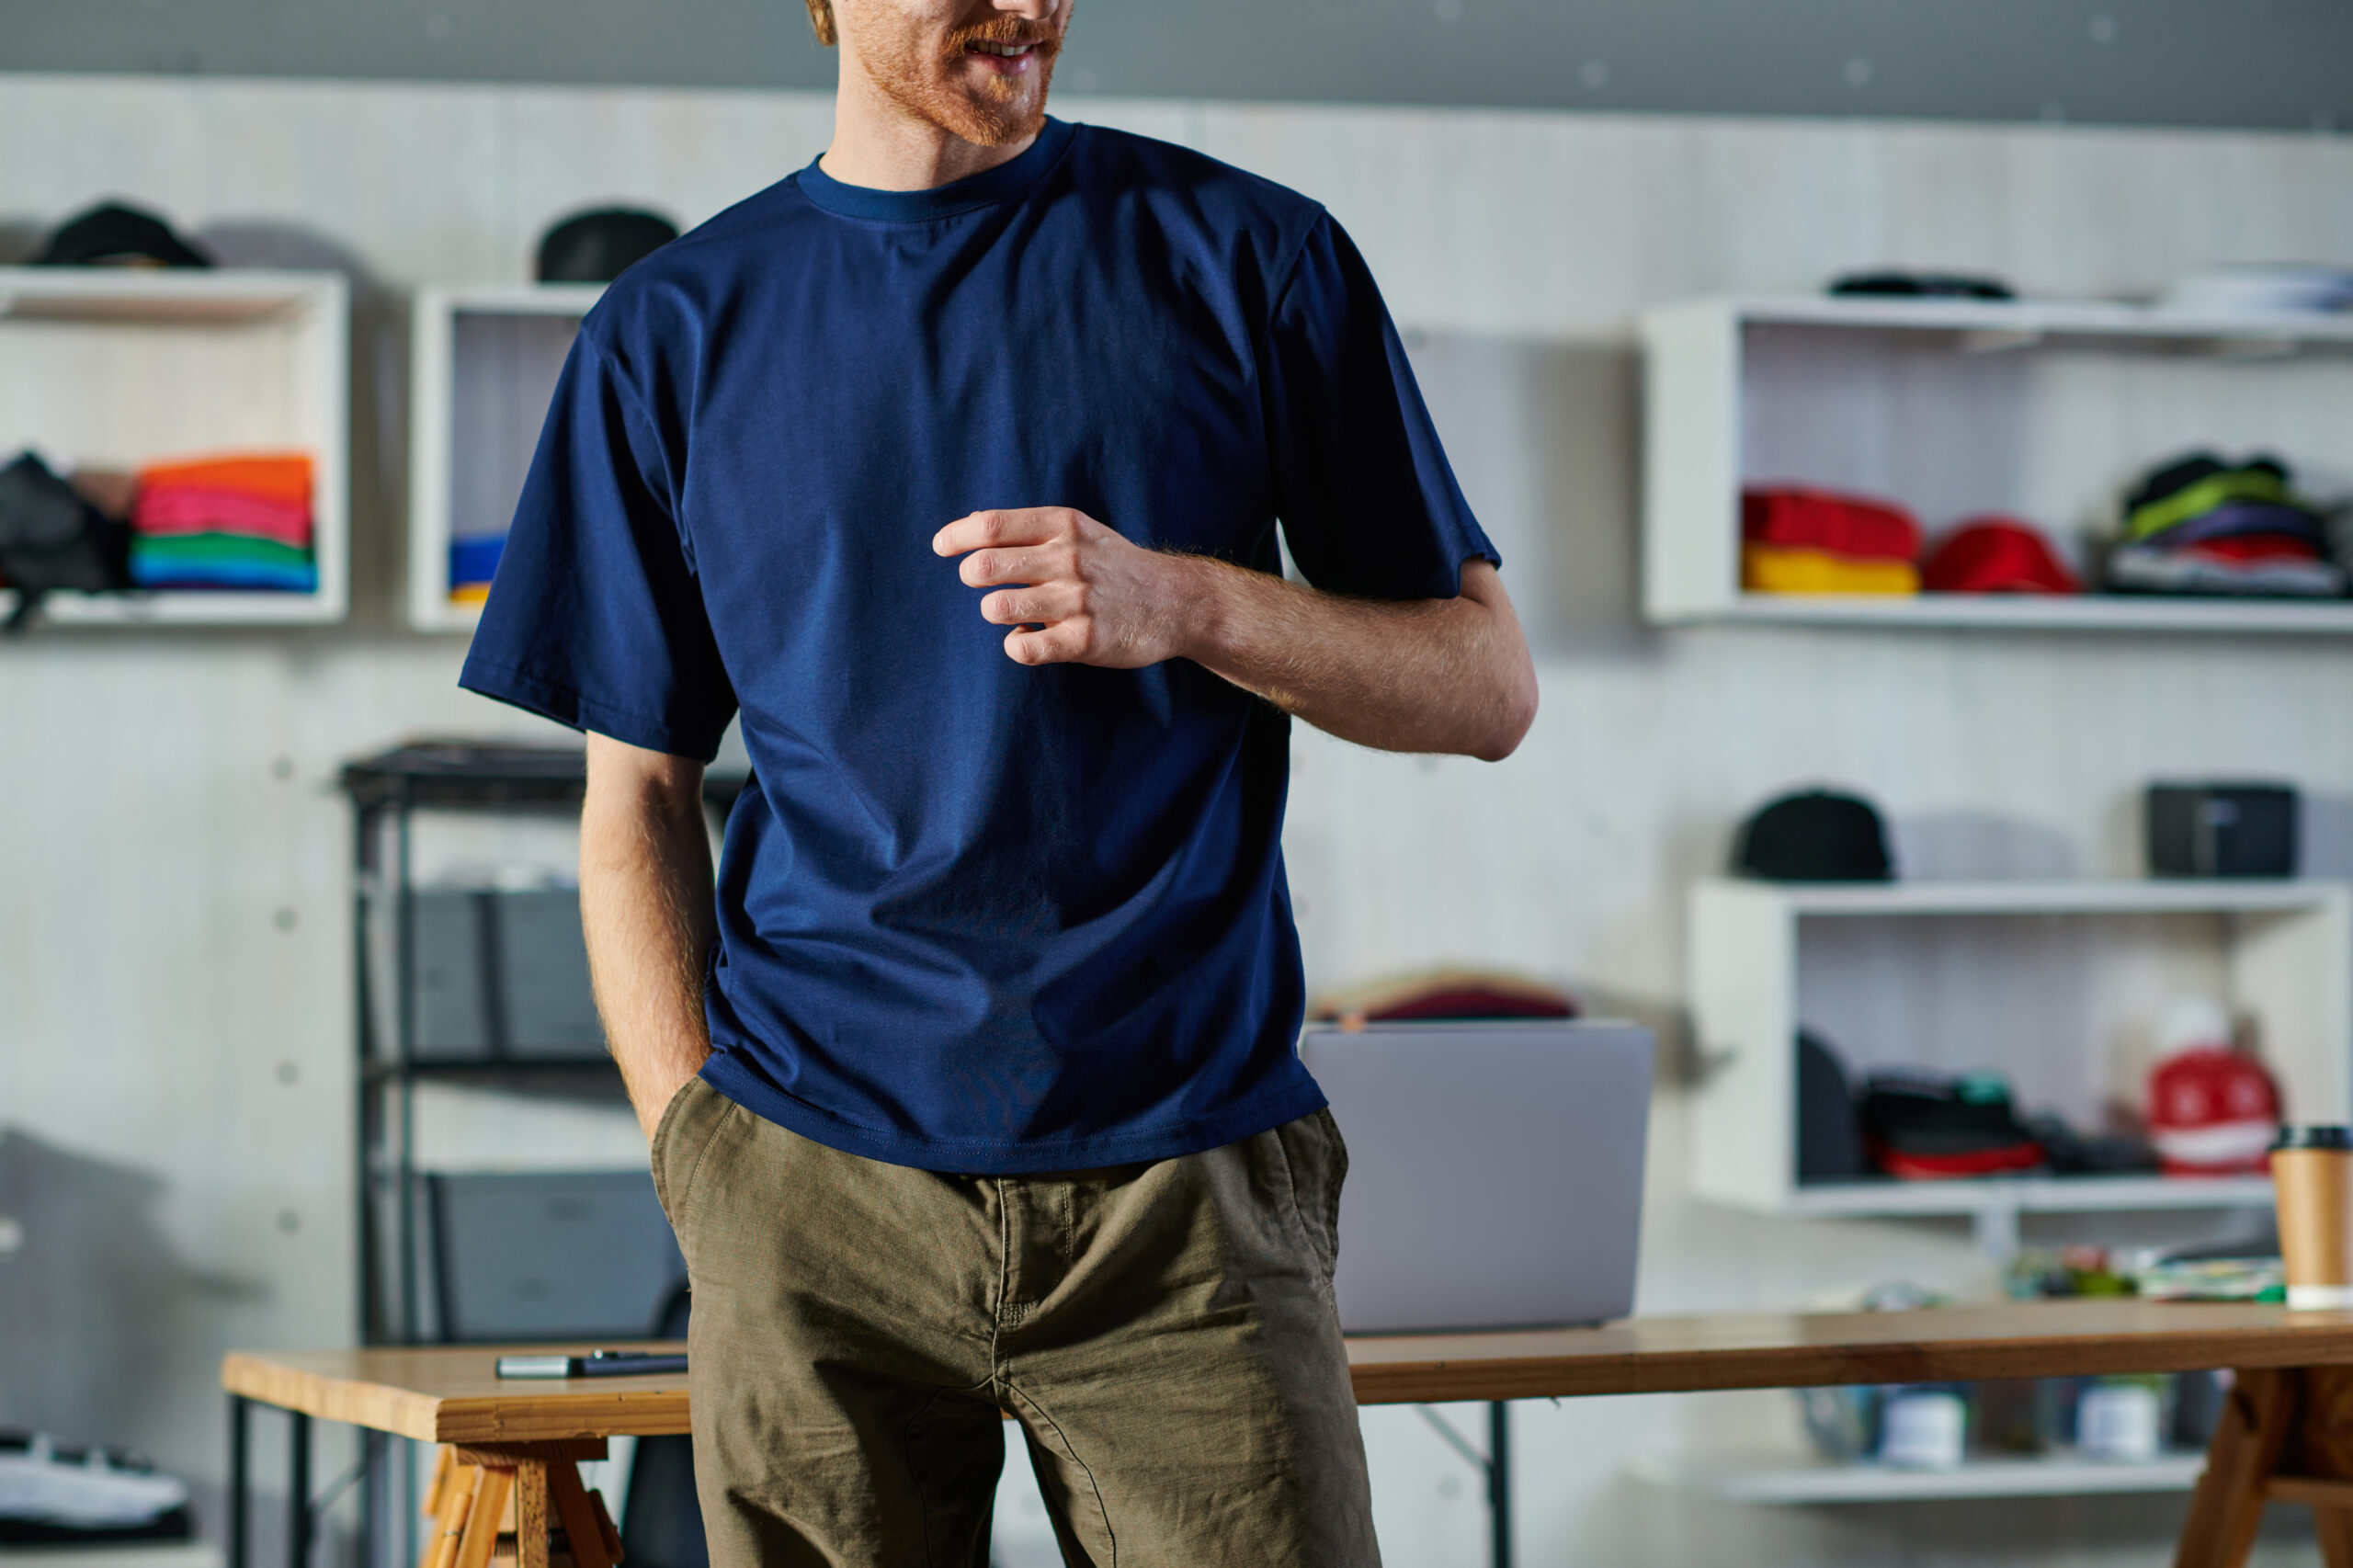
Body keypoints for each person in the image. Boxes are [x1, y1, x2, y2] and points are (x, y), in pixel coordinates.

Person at [459, 0, 1538, 1560]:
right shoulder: (669, 329)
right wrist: (702, 1154)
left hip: (1191, 1188)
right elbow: (635, 797)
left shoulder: (1253, 256)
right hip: (811, 1180)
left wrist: (1193, 602)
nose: (1027, 1)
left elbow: (1487, 687)